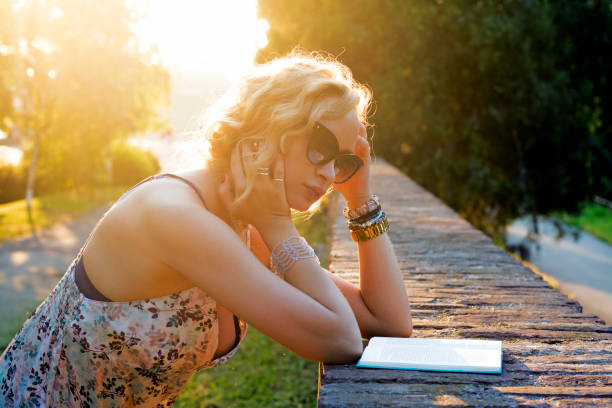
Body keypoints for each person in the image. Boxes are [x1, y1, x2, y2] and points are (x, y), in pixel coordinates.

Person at [0, 51, 412, 407]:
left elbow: (387, 322)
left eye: (342, 160)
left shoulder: (241, 222)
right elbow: (341, 340)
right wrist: (280, 229)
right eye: (320, 146)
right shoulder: (175, 215)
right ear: (268, 129)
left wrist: (359, 200)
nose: (328, 173)